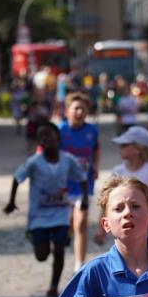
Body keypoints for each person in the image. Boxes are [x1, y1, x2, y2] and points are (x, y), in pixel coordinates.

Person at [4, 121, 88, 297]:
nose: (45, 139)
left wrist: (85, 198)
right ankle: (36, 237)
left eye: (48, 134)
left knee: (59, 250)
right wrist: (11, 202)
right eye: (41, 136)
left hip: (60, 213)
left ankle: (53, 287)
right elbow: (17, 178)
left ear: (58, 137)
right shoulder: (34, 162)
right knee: (42, 256)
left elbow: (82, 178)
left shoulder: (68, 160)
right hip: (39, 215)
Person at [93, 125, 148, 247]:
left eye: (124, 145)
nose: (120, 148)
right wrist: (101, 228)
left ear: (137, 149)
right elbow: (107, 202)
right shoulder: (118, 171)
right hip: (125, 224)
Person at [59, 92, 100, 272]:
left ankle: (79, 264)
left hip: (84, 183)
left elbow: (96, 148)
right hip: (63, 184)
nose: (80, 112)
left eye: (83, 109)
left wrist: (96, 166)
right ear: (67, 111)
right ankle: (68, 232)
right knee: (69, 223)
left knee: (82, 221)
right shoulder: (59, 131)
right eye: (76, 108)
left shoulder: (92, 130)